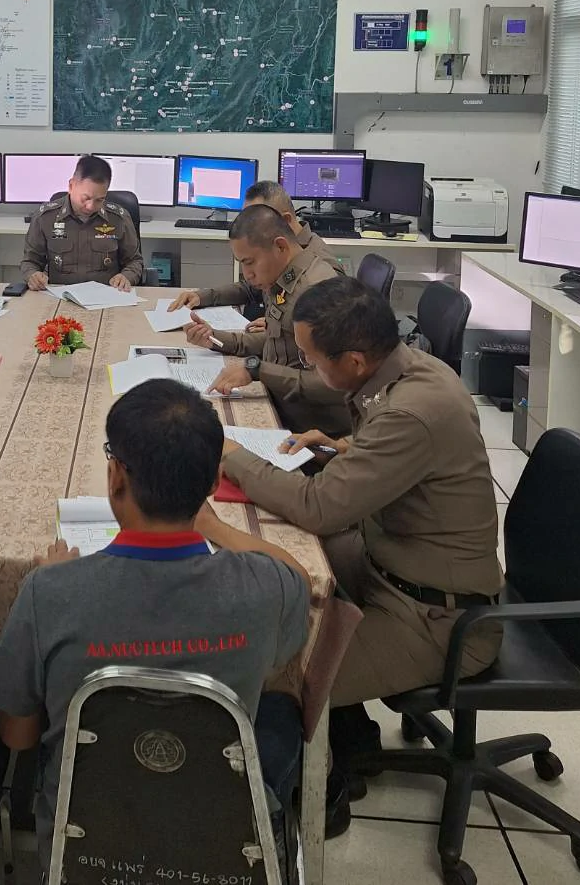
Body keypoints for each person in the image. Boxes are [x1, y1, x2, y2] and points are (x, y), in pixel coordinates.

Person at [197, 277, 502, 836]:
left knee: (278, 670)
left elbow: (318, 508)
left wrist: (233, 455)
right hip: (393, 560)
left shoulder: (412, 412)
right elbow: (394, 456)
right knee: (279, 571)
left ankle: (324, 794)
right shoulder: (408, 371)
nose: (309, 370)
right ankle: (353, 734)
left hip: (436, 617)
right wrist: (347, 450)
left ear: (355, 359)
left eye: (314, 360)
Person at [0, 379, 311, 875]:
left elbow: (18, 735)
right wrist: (215, 527)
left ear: (115, 475)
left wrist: (55, 580)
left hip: (82, 847)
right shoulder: (265, 587)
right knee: (281, 714)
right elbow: (298, 576)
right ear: (211, 484)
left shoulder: (49, 592)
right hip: (218, 845)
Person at [183, 205, 344, 431]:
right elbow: (278, 341)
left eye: (249, 263)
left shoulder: (317, 291)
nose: (247, 275)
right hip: (279, 404)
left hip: (308, 425)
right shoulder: (281, 277)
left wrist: (258, 371)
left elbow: (333, 385)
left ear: (280, 246)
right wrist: (216, 340)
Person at [169, 180, 343, 326]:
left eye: (256, 219)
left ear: (284, 221)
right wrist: (202, 296)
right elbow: (250, 288)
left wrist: (275, 328)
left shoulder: (321, 269)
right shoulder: (276, 252)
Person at [20, 154, 144, 290]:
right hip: (59, 296)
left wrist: (126, 277)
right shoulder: (45, 217)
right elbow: (30, 262)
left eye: (99, 200)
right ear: (71, 186)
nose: (90, 206)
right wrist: (33, 275)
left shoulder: (119, 219)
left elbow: (134, 261)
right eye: (85, 198)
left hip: (107, 295)